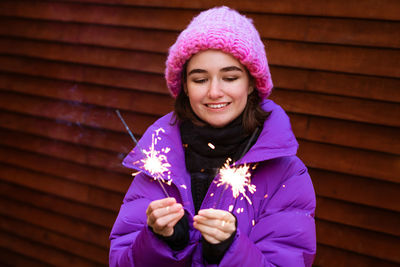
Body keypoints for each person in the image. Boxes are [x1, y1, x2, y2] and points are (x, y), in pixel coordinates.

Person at [109, 6, 316, 267]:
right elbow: (122, 262)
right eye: (200, 79)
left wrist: (230, 250)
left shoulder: (286, 174)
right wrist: (162, 240)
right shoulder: (158, 162)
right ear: (184, 85)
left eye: (230, 77)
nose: (214, 92)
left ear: (251, 83)